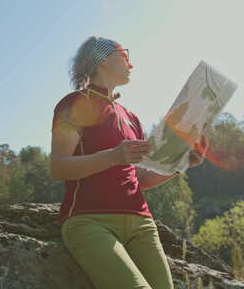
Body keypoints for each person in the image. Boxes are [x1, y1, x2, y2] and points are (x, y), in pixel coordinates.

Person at [50, 36, 208, 289]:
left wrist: (182, 162)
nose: (131, 65)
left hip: (142, 223)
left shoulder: (132, 117)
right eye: (125, 56)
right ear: (101, 61)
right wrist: (114, 155)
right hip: (90, 221)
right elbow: (58, 166)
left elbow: (140, 179)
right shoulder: (74, 104)